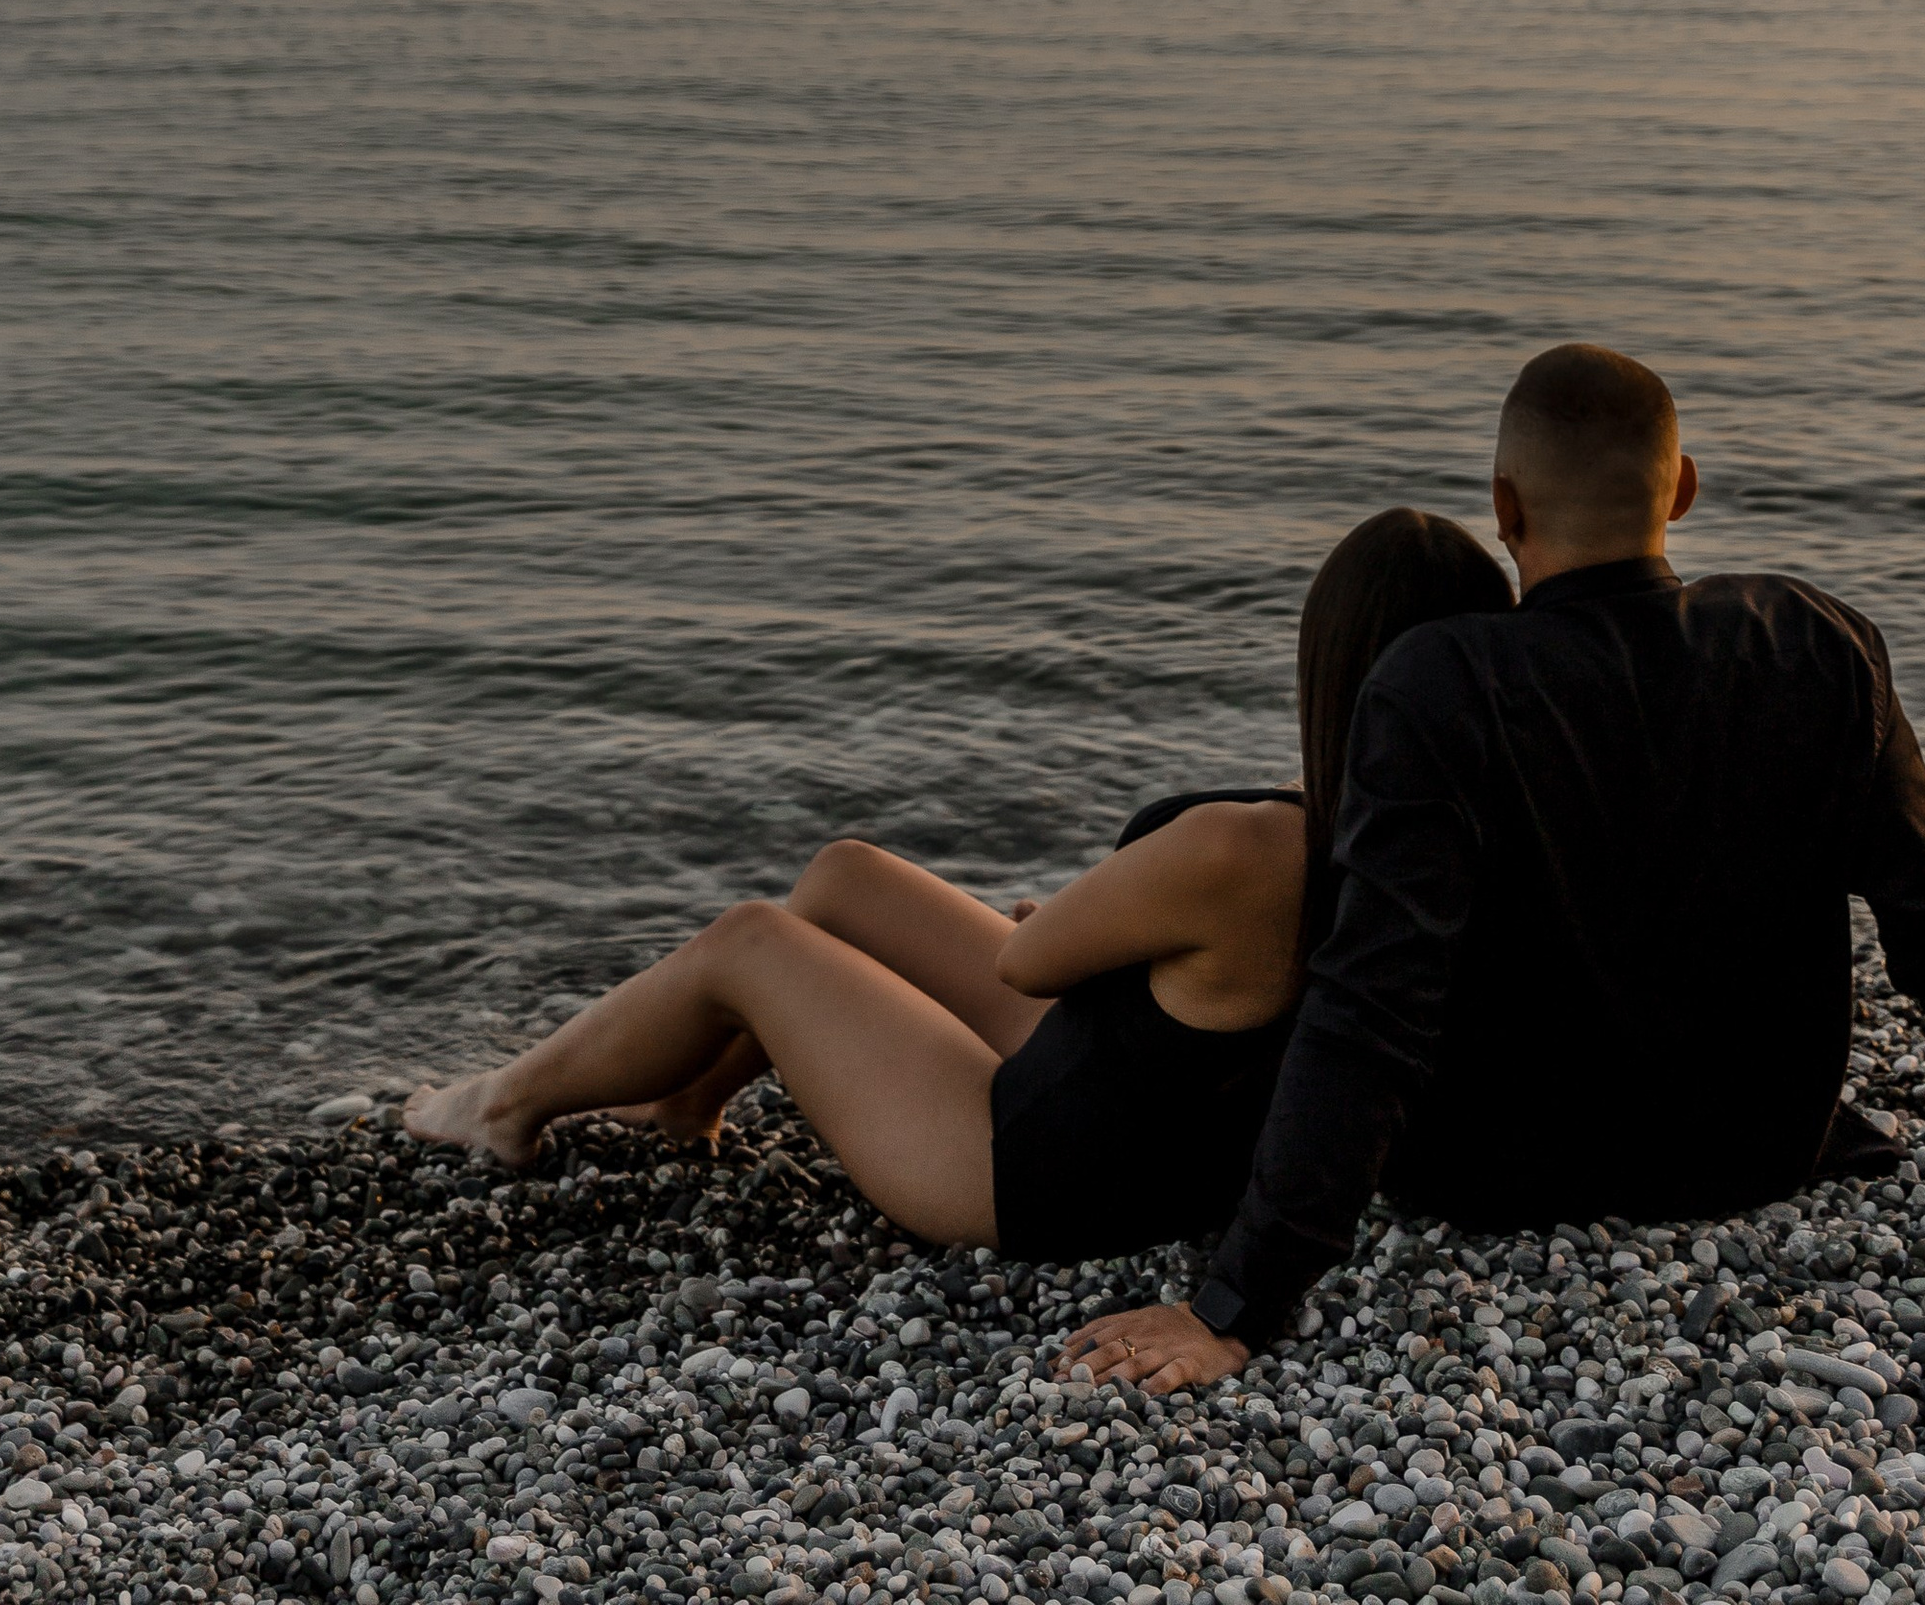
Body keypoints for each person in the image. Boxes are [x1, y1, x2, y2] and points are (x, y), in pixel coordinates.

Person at [1065, 345, 1925, 1391]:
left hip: (1502, 1175)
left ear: (1503, 513)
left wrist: (1234, 1307)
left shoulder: (1440, 683)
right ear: (1685, 491)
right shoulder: (1817, 647)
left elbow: (1373, 1006)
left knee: (1214, 871)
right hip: (1753, 1149)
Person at [403, 507, 1512, 1259]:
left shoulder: (1247, 847)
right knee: (842, 881)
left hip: (1029, 1166)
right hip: (1152, 1116)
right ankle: (687, 1101)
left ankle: (502, 1107)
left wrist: (1089, 921)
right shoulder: (1450, 838)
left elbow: (1028, 957)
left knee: (753, 939)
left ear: (1326, 655)